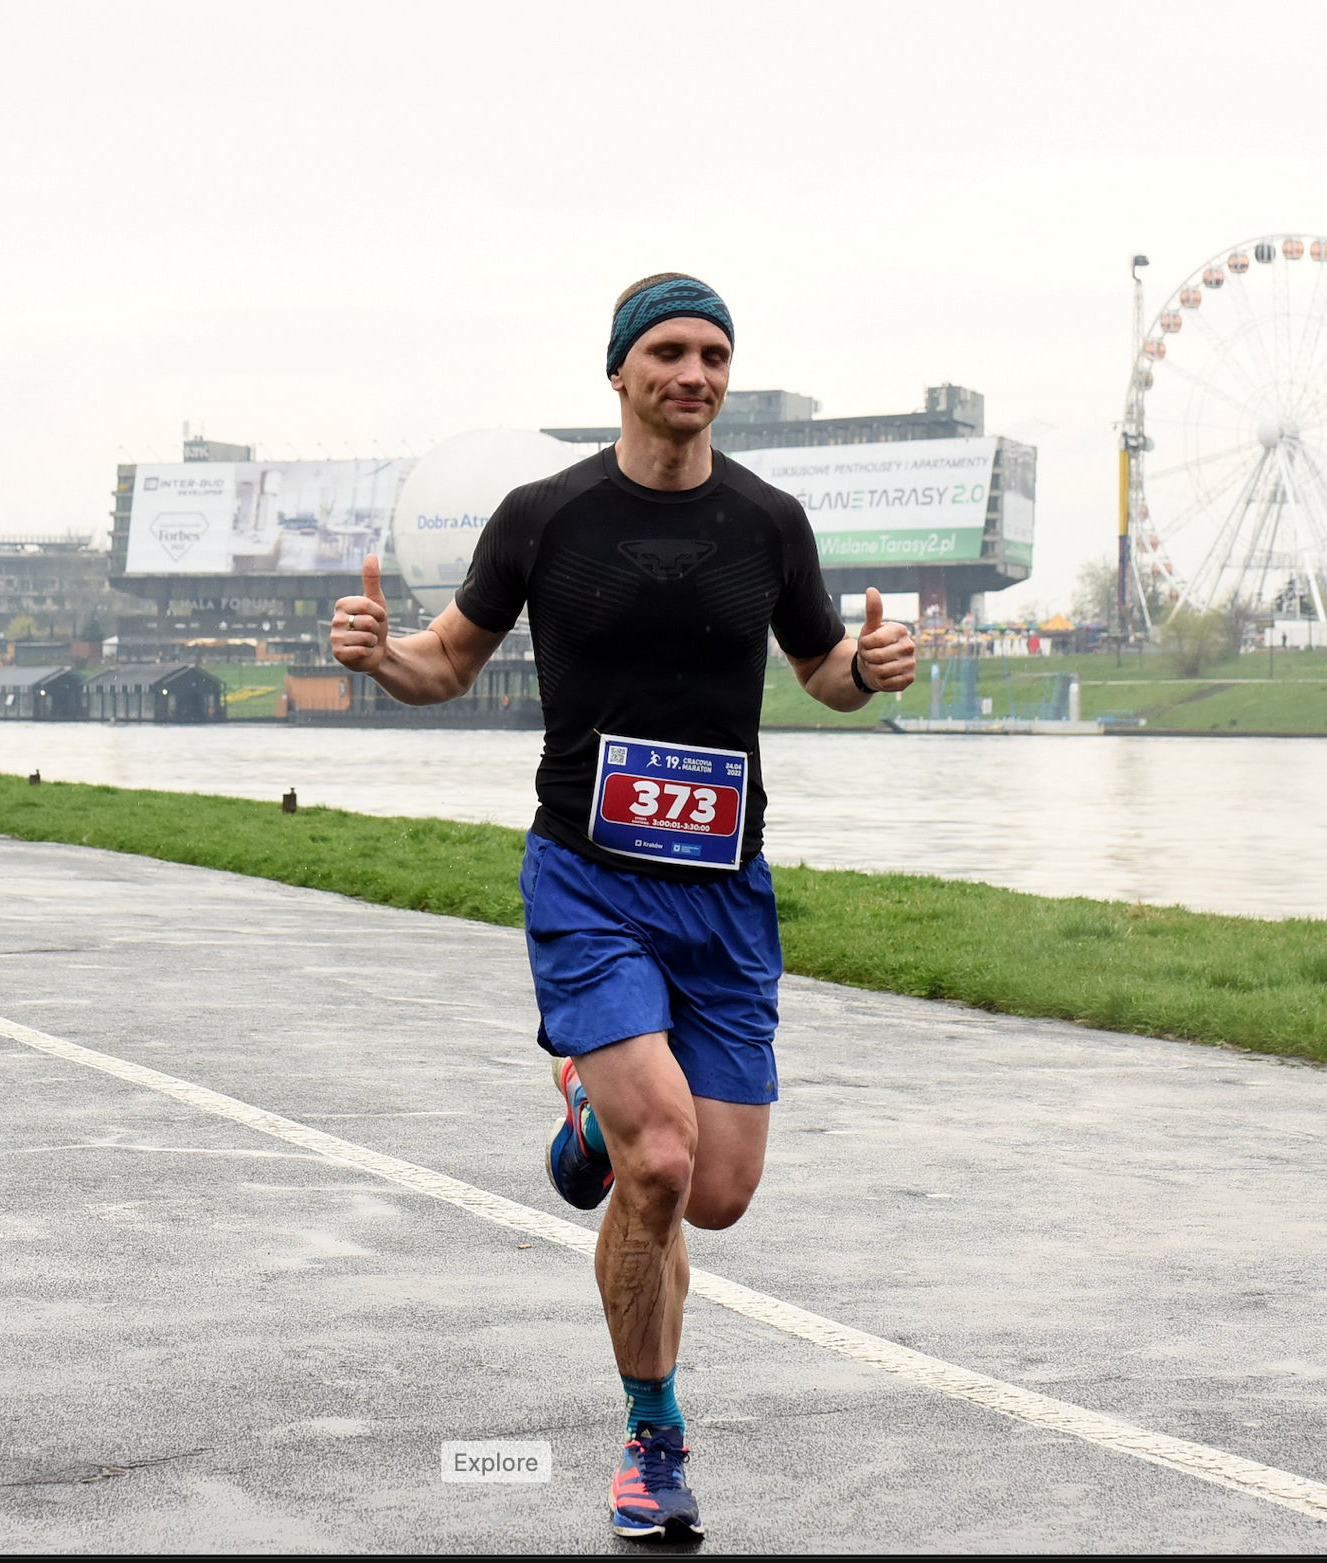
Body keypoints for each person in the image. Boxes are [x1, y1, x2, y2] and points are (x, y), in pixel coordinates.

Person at [329, 273, 917, 1541]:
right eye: (667, 351)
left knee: (717, 1192)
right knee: (661, 1164)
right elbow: (445, 661)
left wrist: (865, 670)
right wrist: (382, 657)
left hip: (722, 887)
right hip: (586, 875)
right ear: (618, 370)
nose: (693, 374)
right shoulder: (546, 516)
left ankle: (590, 1117)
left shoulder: (768, 521)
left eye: (713, 354)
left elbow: (820, 672)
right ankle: (653, 1441)